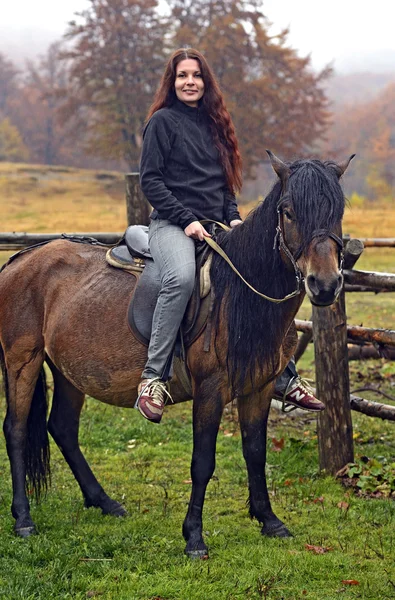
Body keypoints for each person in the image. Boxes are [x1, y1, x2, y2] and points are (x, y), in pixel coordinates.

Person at [136, 48, 324, 423]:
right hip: (173, 225)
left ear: (206, 82)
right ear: (171, 83)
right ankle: (153, 378)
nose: (189, 82)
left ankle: (282, 376)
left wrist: (234, 219)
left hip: (216, 226)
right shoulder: (161, 123)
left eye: (196, 75)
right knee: (181, 278)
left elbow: (224, 187)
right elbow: (151, 182)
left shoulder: (215, 125)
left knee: (258, 278)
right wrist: (187, 219)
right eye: (182, 76)